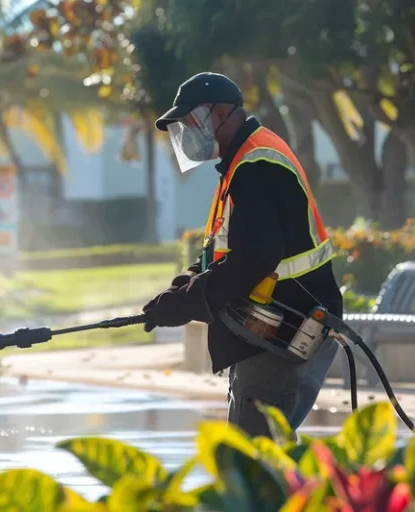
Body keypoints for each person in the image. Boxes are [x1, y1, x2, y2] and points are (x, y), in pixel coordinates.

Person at [141, 72, 343, 438]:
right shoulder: (240, 162)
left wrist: (189, 302)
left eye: (192, 119)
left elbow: (255, 257)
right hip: (272, 330)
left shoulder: (255, 164)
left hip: (283, 328)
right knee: (265, 453)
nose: (187, 130)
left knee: (254, 461)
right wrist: (182, 289)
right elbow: (224, 251)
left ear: (221, 113)